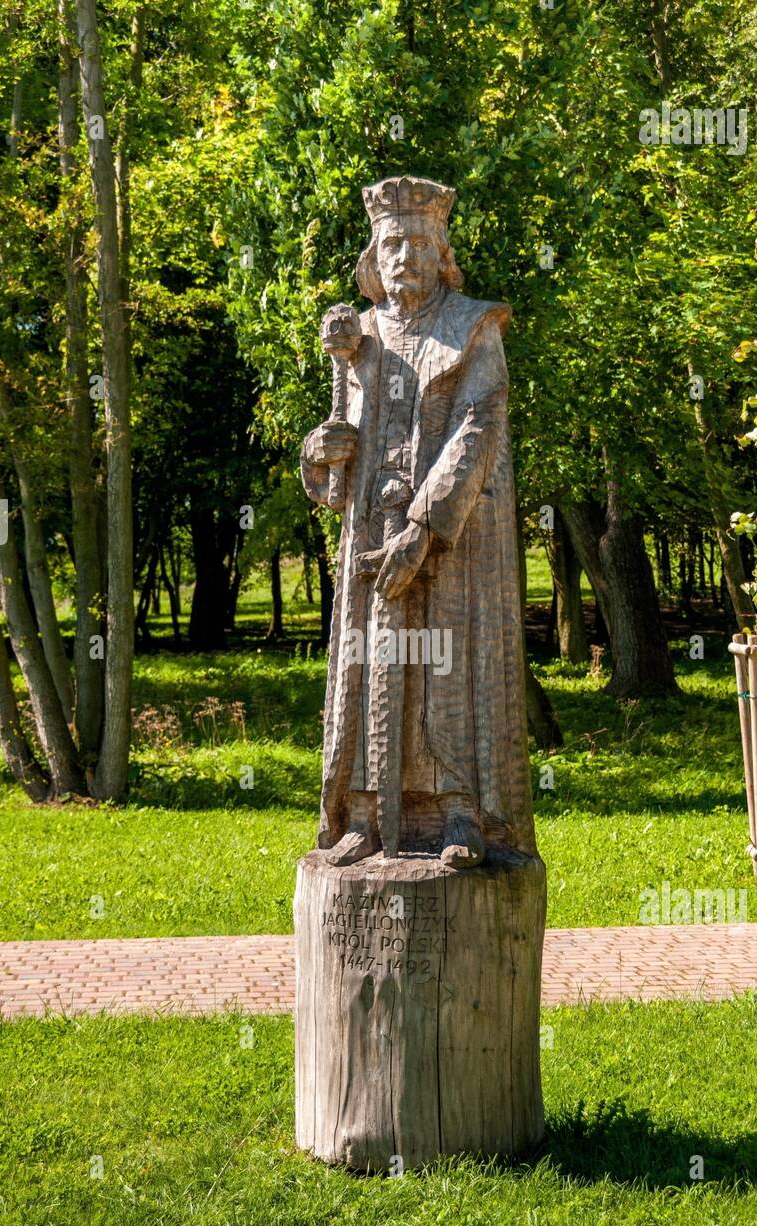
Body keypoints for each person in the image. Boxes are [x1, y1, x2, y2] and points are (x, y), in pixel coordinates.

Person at [300, 175, 537, 868]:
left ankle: (460, 814)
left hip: (452, 543)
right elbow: (339, 434)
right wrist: (321, 453)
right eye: (390, 242)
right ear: (374, 256)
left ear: (442, 254)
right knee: (371, 666)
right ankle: (366, 816)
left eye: (418, 243)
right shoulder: (359, 336)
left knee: (447, 667)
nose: (404, 255)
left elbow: (477, 426)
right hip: (371, 535)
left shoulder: (473, 325)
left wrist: (425, 528)